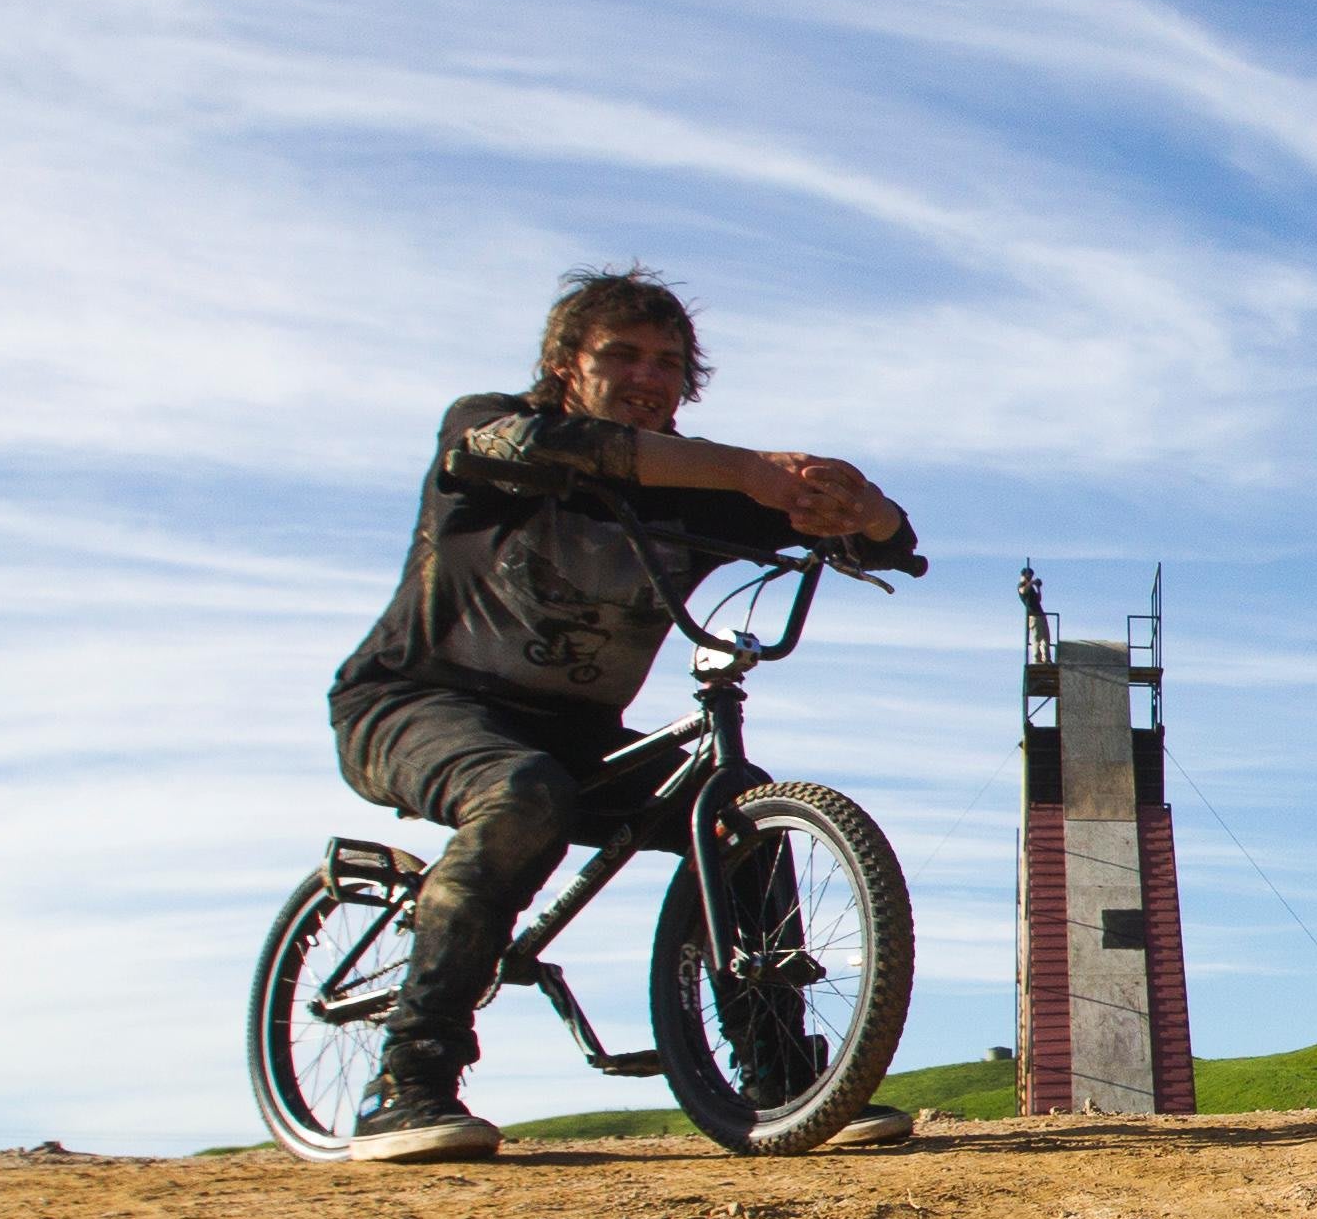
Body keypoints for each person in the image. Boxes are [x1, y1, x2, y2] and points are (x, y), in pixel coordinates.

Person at [326, 267, 922, 1164]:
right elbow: (549, 447)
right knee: (522, 795)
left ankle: (776, 1075)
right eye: (623, 355)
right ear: (568, 363)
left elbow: (887, 544)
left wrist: (854, 503)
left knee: (732, 815)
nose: (649, 376)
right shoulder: (487, 430)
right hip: (414, 703)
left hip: (578, 739)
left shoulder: (697, 494)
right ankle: (407, 1083)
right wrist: (746, 470)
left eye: (670, 363)